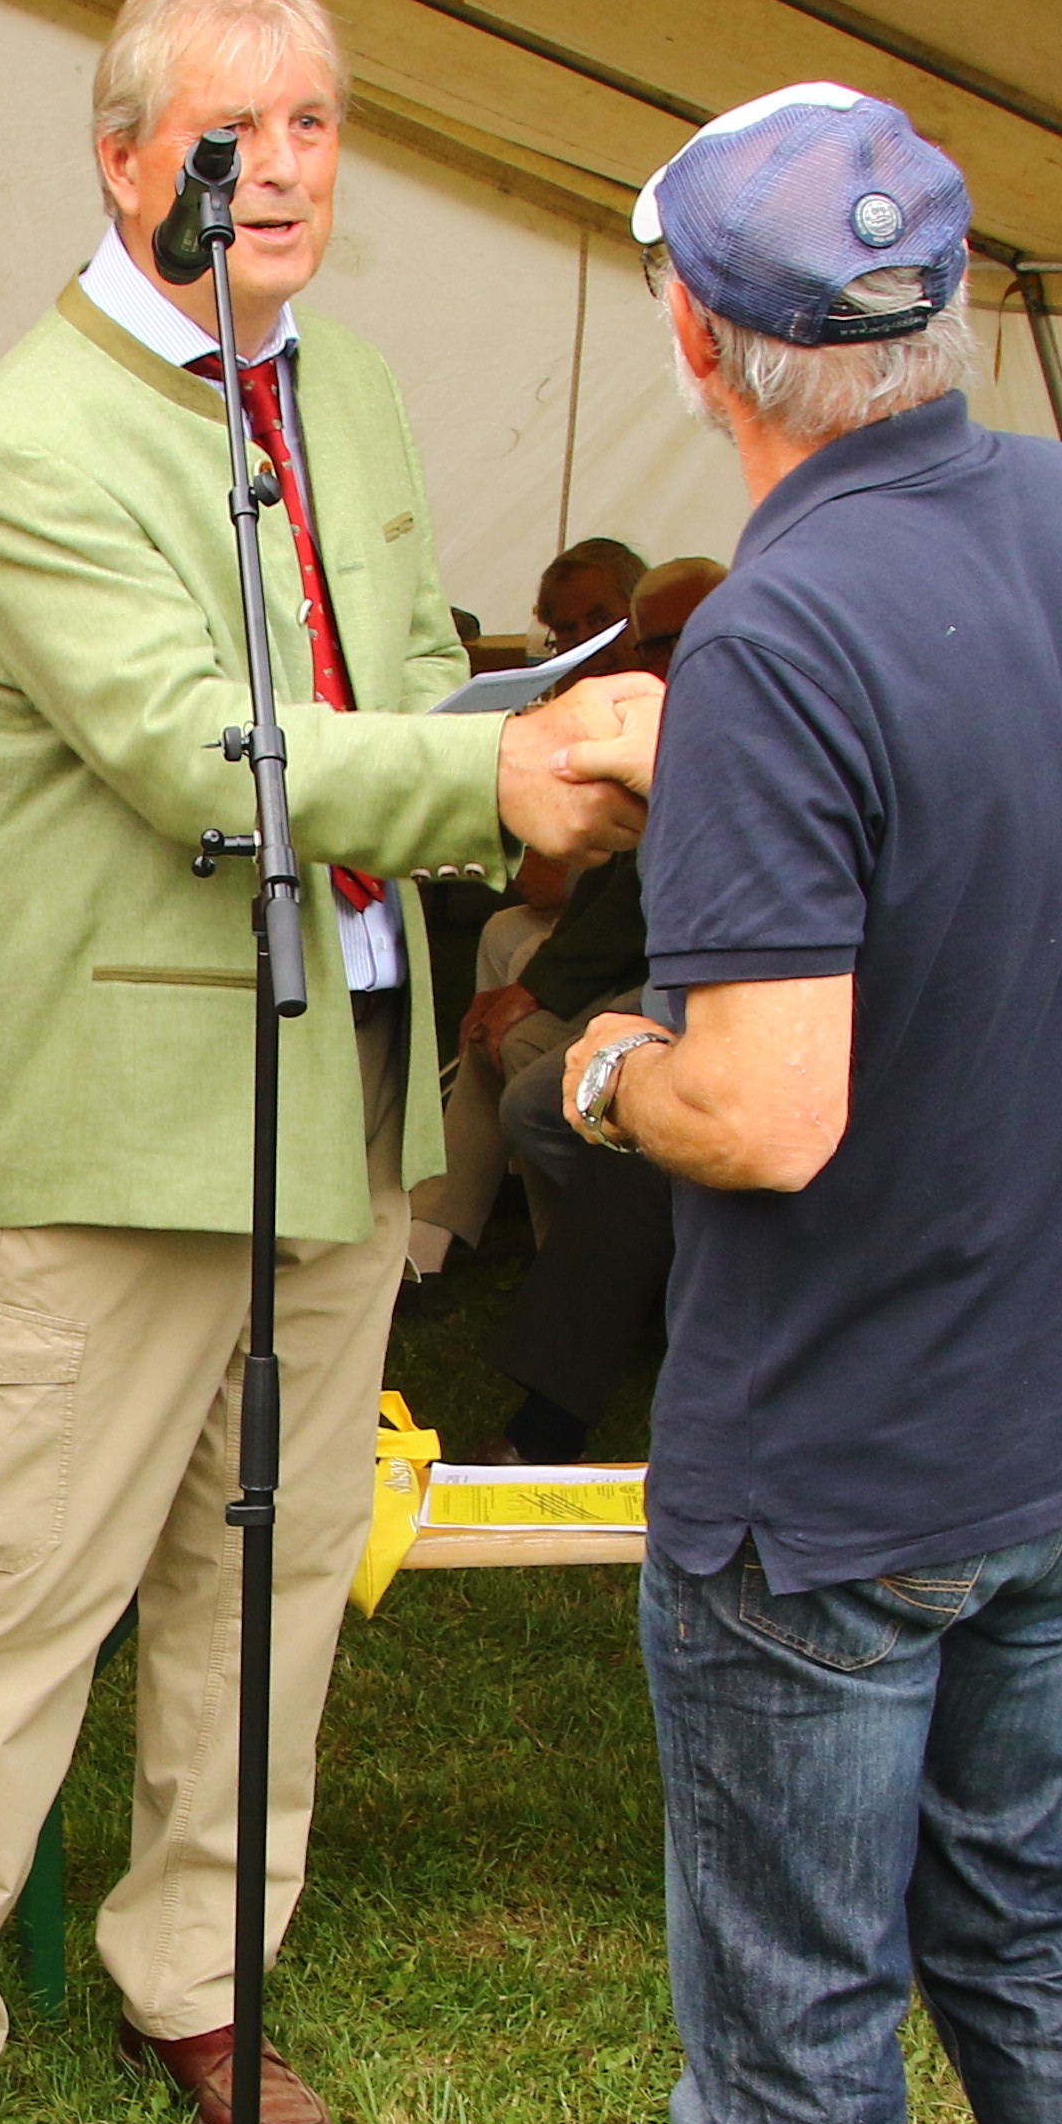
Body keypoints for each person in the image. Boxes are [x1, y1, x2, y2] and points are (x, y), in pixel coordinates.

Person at [0, 0, 660, 2124]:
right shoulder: (20, 438)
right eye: (230, 130)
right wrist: (503, 774)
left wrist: (506, 751)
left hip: (341, 1103)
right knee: (16, 1596)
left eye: (311, 124)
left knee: (268, 1587)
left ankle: (200, 1978)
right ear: (121, 161)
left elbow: (394, 677)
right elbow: (201, 754)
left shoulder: (348, 391)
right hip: (107, 1123)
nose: (279, 167)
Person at [533, 84, 1062, 2124]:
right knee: (1020, 1913)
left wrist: (599, 1064)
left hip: (838, 1460)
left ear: (696, 339)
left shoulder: (782, 632)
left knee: (795, 2004)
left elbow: (770, 1109)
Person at [463, 553, 721, 1453]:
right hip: (703, 992)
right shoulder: (649, 719)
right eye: (653, 642)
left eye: (675, 639)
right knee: (610, 1116)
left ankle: (548, 1415)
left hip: (787, 1007)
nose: (659, 657)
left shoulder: (753, 718)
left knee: (617, 1124)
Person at [407, 540, 653, 1278]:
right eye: (564, 630)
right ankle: (454, 1220)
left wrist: (533, 987)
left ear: (639, 619)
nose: (584, 643)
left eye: (601, 621)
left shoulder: (666, 711)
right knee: (503, 937)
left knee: (515, 985)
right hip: (613, 932)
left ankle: (525, 1249)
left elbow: (595, 894)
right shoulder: (570, 712)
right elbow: (550, 885)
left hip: (661, 958)